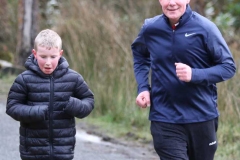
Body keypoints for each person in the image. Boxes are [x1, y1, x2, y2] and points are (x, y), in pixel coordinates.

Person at [131, 0, 236, 159]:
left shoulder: (205, 28)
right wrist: (143, 87)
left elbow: (228, 67)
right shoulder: (151, 28)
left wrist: (194, 75)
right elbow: (140, 55)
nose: (172, 3)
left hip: (202, 116)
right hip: (164, 117)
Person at [6, 29, 94, 160]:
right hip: (33, 151)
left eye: (53, 57)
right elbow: (12, 107)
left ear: (60, 54)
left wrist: (73, 105)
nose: (48, 62)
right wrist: (36, 112)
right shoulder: (24, 79)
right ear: (35, 54)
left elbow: (89, 100)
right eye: (43, 57)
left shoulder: (73, 78)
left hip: (63, 150)